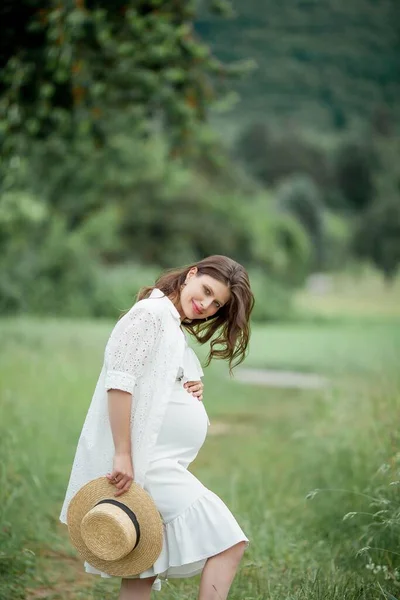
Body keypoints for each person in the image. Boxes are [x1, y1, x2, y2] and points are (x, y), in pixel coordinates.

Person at [59, 254, 255, 600]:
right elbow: (120, 383)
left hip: (158, 462)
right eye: (206, 290)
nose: (206, 305)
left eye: (216, 304)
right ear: (192, 274)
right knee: (229, 542)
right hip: (149, 465)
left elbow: (156, 379)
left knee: (141, 573)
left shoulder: (168, 322)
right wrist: (122, 454)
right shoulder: (149, 315)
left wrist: (190, 383)